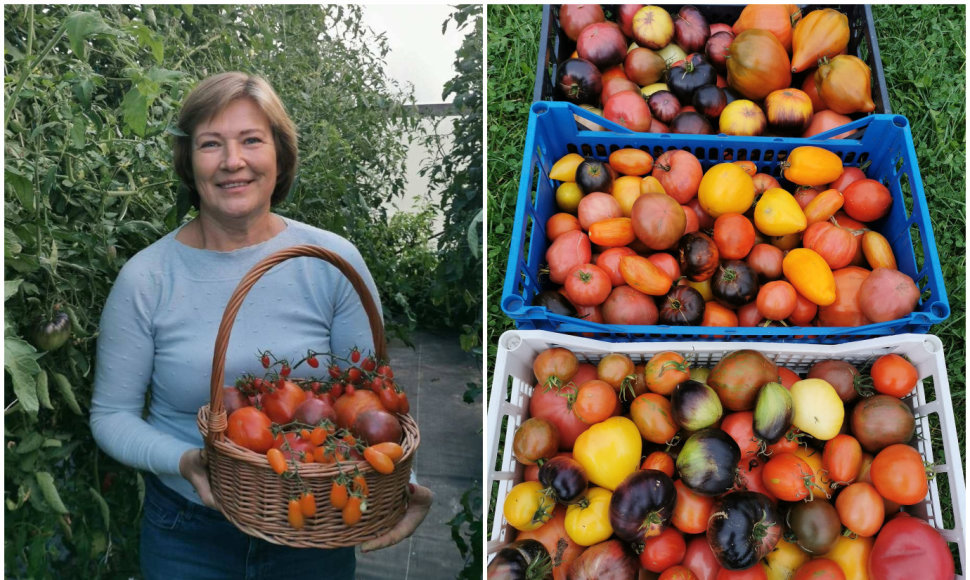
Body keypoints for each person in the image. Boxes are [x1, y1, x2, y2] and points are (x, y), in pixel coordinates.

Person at [90, 72, 432, 579]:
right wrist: (186, 460)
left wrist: (396, 482)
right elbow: (111, 416)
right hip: (187, 532)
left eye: (251, 140)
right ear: (189, 163)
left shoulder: (332, 263)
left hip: (316, 522)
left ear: (280, 155)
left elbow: (370, 403)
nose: (233, 161)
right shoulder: (147, 278)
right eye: (211, 144)